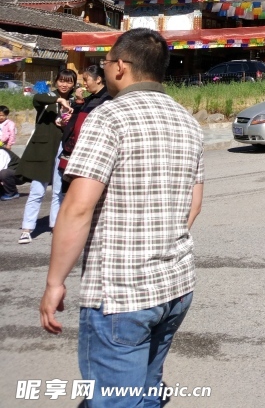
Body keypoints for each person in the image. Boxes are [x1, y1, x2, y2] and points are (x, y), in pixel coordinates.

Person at [40, 30, 204, 405]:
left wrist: (54, 282)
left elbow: (78, 207)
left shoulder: (108, 117)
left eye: (107, 62)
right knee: (147, 388)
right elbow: (194, 205)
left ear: (120, 67)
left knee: (115, 399)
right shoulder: (187, 121)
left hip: (121, 292)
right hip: (176, 285)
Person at [16, 69, 76, 244]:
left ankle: (55, 226)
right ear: (56, 81)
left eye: (69, 81)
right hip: (43, 149)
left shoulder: (75, 101)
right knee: (37, 190)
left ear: (74, 84)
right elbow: (37, 98)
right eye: (62, 80)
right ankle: (27, 229)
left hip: (63, 149)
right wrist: (59, 100)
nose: (64, 84)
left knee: (58, 191)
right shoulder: (48, 97)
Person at [57, 65, 112, 189]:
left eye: (86, 80)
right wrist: (78, 101)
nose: (84, 84)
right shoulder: (89, 99)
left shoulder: (107, 99)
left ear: (98, 79)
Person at [0, 105, 22, 201]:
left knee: (4, 173)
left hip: (19, 175)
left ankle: (12, 193)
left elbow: (1, 168)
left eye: (2, 115)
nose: (1, 117)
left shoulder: (2, 152)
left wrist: (9, 144)